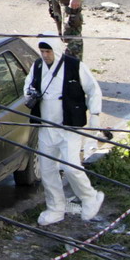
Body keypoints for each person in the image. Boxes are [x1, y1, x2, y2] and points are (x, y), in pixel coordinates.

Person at [25, 36, 105, 226]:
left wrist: (95, 114)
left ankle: (90, 197)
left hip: (69, 127)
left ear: (56, 50)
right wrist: (30, 93)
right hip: (47, 127)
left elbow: (93, 89)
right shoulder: (37, 66)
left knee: (70, 166)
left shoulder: (74, 66)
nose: (45, 55)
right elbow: (28, 85)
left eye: (48, 52)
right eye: (42, 52)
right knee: (47, 170)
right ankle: (55, 208)